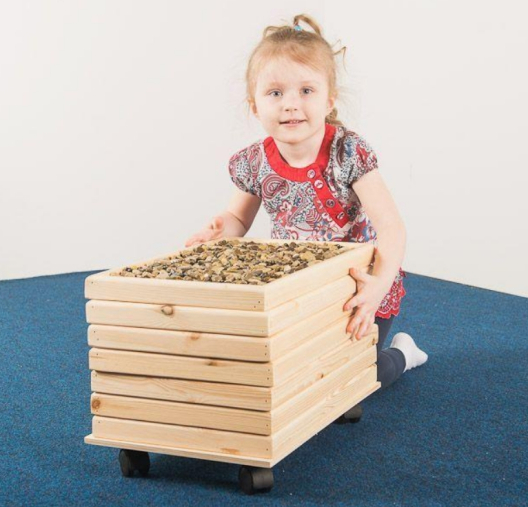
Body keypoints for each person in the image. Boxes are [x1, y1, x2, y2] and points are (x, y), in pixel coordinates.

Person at [185, 13, 427, 389]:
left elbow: (392, 227)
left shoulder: (348, 153)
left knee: (354, 378)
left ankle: (402, 354)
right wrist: (219, 231)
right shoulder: (255, 162)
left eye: (306, 91)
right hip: (300, 288)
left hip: (360, 288)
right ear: (255, 105)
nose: (290, 104)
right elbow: (238, 218)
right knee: (295, 373)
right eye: (275, 93)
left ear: (329, 100)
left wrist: (378, 285)